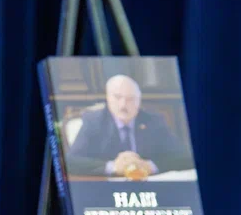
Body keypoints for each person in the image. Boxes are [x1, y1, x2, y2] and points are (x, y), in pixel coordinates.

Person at [63, 74, 193, 177]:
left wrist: (150, 165)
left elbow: (185, 158)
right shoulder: (94, 121)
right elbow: (71, 162)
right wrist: (113, 166)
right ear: (108, 98)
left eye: (130, 99)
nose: (123, 105)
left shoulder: (153, 121)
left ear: (139, 101)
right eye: (117, 97)